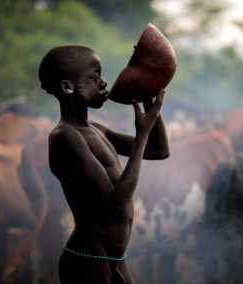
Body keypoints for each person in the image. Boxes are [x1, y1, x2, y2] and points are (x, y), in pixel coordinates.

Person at [38, 45, 169, 283]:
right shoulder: (65, 137)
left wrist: (151, 106)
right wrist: (141, 135)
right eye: (94, 77)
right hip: (87, 260)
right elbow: (116, 204)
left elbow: (158, 150)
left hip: (114, 258)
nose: (103, 83)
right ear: (68, 87)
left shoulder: (96, 130)